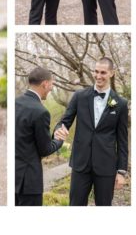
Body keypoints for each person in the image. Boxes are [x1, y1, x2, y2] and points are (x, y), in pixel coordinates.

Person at [54, 57, 129, 205]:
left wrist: (121, 171)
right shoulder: (79, 96)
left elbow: (122, 141)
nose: (98, 76)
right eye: (96, 71)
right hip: (81, 164)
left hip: (106, 166)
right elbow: (65, 121)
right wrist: (58, 130)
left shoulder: (120, 104)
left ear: (111, 73)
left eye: (103, 72)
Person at [14, 67, 64, 206]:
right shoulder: (40, 112)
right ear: (45, 84)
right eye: (52, 85)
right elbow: (45, 150)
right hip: (28, 183)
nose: (51, 88)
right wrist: (59, 139)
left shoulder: (14, 103)